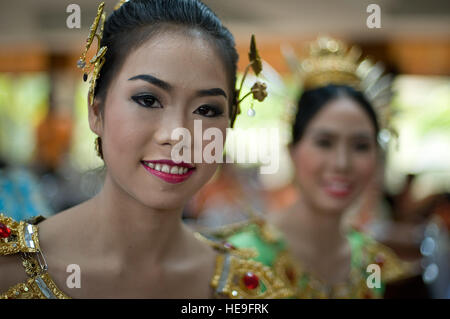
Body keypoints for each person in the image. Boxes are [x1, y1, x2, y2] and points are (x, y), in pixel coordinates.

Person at [0, 0, 289, 299]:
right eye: (148, 100)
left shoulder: (249, 290)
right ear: (96, 112)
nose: (178, 136)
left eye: (205, 109)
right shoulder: (9, 269)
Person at [218, 37, 411, 298]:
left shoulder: (375, 264)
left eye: (360, 146)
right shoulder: (241, 259)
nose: (341, 163)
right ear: (292, 150)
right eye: (324, 142)